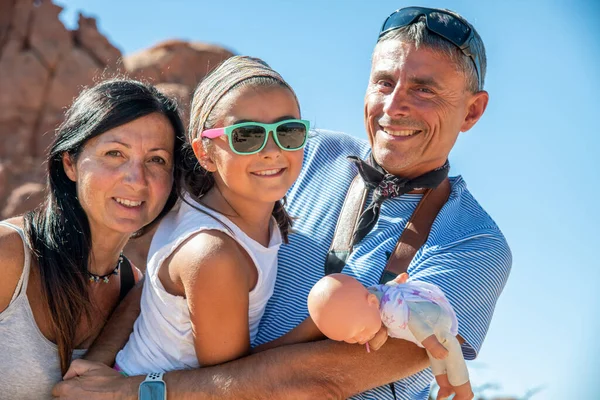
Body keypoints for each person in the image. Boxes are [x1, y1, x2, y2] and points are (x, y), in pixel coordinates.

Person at [54, 6, 511, 400]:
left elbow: (319, 382)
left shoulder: (474, 243)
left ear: (472, 111)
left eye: (424, 89)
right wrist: (99, 363)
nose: (394, 106)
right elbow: (167, 271)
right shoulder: (303, 153)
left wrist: (137, 390)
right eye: (384, 82)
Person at [113, 56, 309, 375]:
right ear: (205, 153)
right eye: (247, 136)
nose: (272, 149)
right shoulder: (213, 254)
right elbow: (231, 383)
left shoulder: (201, 203)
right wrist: (320, 328)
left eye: (288, 131)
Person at [0, 78, 186, 399]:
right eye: (115, 153)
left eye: (157, 159)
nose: (136, 179)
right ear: (70, 163)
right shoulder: (8, 255)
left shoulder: (139, 291)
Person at [307, 273, 471, 400]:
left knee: (448, 348)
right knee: (433, 357)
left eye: (361, 330)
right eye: (349, 339)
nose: (360, 338)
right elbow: (386, 288)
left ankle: (465, 392)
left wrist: (431, 342)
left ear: (373, 302)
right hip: (416, 327)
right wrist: (397, 281)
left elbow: (412, 319)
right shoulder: (367, 301)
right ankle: (444, 385)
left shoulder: (390, 310)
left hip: (430, 318)